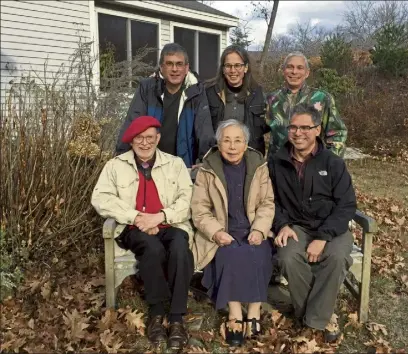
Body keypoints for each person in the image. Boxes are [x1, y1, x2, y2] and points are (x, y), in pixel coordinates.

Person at [92, 116, 194, 350]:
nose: (145, 143)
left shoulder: (175, 164)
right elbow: (101, 198)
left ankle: (177, 318)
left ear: (158, 138)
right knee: (152, 248)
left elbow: (186, 200)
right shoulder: (116, 166)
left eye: (150, 138)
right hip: (133, 228)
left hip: (170, 224)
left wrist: (161, 217)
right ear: (131, 141)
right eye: (139, 138)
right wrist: (136, 217)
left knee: (180, 247)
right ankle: (157, 314)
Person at [268, 103, 356, 343]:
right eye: (293, 127)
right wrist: (282, 224)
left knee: (336, 258)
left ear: (317, 130)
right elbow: (269, 201)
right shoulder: (277, 163)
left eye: (305, 127)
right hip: (296, 226)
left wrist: (323, 236)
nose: (298, 133)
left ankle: (312, 319)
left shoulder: (332, 163)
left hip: (331, 227)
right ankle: (323, 316)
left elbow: (346, 204)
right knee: (287, 256)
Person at [190, 119, 275, 346]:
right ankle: (235, 312)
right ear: (218, 143)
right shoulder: (208, 169)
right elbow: (199, 210)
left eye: (238, 140)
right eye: (226, 140)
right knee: (230, 254)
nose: (232, 146)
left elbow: (267, 203)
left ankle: (254, 310)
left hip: (252, 227)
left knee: (259, 252)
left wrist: (259, 229)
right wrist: (216, 232)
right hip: (222, 230)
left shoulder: (258, 165)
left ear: (246, 144)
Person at [115, 43, 214, 168]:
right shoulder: (147, 89)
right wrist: (121, 161)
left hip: (183, 166)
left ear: (186, 68)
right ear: (161, 67)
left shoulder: (197, 93)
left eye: (179, 64)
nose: (174, 69)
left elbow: (204, 132)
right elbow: (132, 125)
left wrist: (207, 163)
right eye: (169, 64)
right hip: (149, 165)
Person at [266, 51, 347, 160]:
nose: (294, 72)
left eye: (300, 68)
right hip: (278, 165)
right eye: (290, 67)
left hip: (312, 165)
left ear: (307, 73)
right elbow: (256, 130)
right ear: (283, 70)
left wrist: (329, 163)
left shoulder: (322, 98)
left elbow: (337, 134)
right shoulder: (272, 99)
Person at [205, 45, 269, 156]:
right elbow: (202, 131)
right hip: (217, 158)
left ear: (246, 67)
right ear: (223, 69)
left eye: (237, 65)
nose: (233, 70)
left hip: (250, 158)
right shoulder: (210, 93)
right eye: (228, 66)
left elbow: (266, 126)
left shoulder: (258, 94)